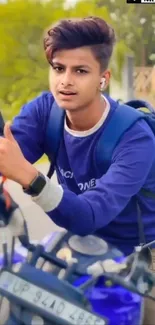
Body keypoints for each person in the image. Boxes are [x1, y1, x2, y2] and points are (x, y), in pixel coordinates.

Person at [0, 16, 155, 323]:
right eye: (58, 68)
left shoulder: (136, 137)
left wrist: (30, 178)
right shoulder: (46, 111)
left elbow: (88, 215)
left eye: (80, 71)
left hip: (140, 257)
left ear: (103, 78)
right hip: (77, 246)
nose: (65, 81)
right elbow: (7, 154)